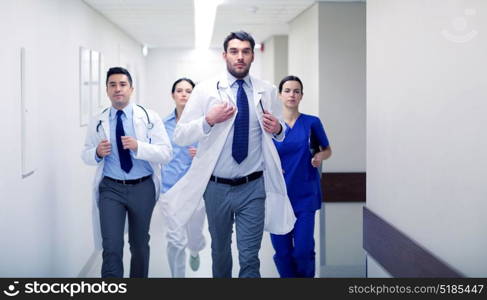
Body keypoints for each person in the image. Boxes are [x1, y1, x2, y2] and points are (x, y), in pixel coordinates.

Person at [162, 31, 296, 278]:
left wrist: (278, 129)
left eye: (245, 51)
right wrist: (208, 121)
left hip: (253, 187)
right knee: (220, 253)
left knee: (249, 257)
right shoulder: (204, 91)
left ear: (252, 56)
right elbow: (180, 135)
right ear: (225, 55)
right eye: (234, 52)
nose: (240, 57)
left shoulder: (267, 91)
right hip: (216, 189)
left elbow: (282, 130)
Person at [81, 67, 172, 278]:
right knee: (111, 246)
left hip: (142, 187)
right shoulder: (98, 120)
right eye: (112, 85)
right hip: (110, 189)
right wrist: (96, 152)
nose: (117, 89)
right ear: (106, 90)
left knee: (139, 244)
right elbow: (85, 153)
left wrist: (139, 146)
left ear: (131, 88)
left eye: (122, 85)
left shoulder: (150, 117)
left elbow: (166, 153)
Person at [270, 75, 332, 278]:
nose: (292, 94)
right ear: (280, 95)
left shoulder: (312, 122)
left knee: (303, 250)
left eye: (296, 91)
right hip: (278, 196)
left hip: (305, 194)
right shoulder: (270, 124)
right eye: (287, 90)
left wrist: (319, 157)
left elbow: (327, 150)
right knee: (283, 252)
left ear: (301, 96)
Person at [159, 78, 206, 277]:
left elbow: (215, 151)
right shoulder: (162, 124)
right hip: (170, 189)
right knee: (176, 240)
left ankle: (195, 249)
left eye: (188, 91)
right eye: (179, 90)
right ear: (173, 95)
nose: (184, 94)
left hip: (196, 190)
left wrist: (202, 153)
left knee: (193, 236)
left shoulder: (204, 123)